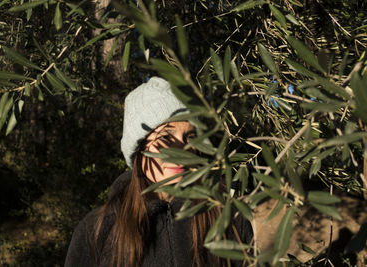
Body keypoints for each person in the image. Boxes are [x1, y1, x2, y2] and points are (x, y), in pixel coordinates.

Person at [64, 77, 253, 267]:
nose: (181, 150)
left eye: (190, 137)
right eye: (165, 136)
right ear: (139, 148)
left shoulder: (229, 218)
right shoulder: (96, 231)